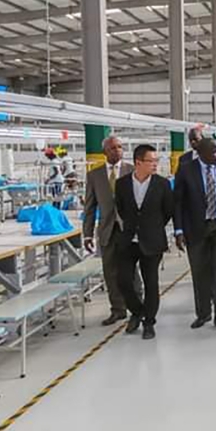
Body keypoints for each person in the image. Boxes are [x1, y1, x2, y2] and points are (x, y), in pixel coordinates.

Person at [174, 138, 216, 335]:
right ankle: (203, 313)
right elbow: (178, 202)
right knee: (200, 271)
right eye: (214, 152)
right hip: (196, 227)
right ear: (201, 152)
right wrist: (178, 230)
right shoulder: (186, 170)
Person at [113, 144, 174, 340]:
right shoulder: (122, 184)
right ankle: (137, 311)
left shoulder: (162, 184)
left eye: (156, 161)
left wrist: (152, 227)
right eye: (151, 161)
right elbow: (121, 209)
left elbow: (167, 211)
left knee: (151, 283)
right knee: (122, 280)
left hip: (152, 239)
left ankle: (149, 321)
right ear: (138, 163)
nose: (155, 165)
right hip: (129, 240)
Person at [83, 136, 142, 326]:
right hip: (107, 230)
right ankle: (117, 309)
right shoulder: (94, 175)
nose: (117, 150)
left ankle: (138, 307)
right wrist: (87, 233)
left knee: (132, 271)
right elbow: (90, 207)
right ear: (104, 153)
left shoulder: (132, 171)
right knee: (110, 272)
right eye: (112, 148)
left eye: (119, 147)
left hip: (129, 230)